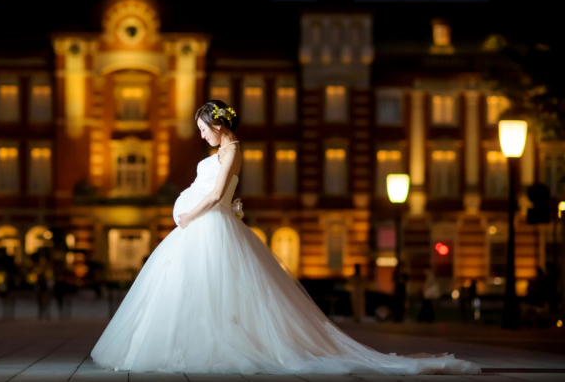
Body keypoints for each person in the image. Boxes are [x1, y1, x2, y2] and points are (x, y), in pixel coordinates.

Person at [90, 100, 480, 376]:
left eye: (203, 128)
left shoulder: (232, 151)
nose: (201, 135)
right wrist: (223, 207)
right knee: (195, 289)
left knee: (208, 288)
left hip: (206, 223)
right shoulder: (225, 151)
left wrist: (189, 215)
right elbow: (221, 192)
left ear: (218, 125)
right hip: (208, 224)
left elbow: (213, 193)